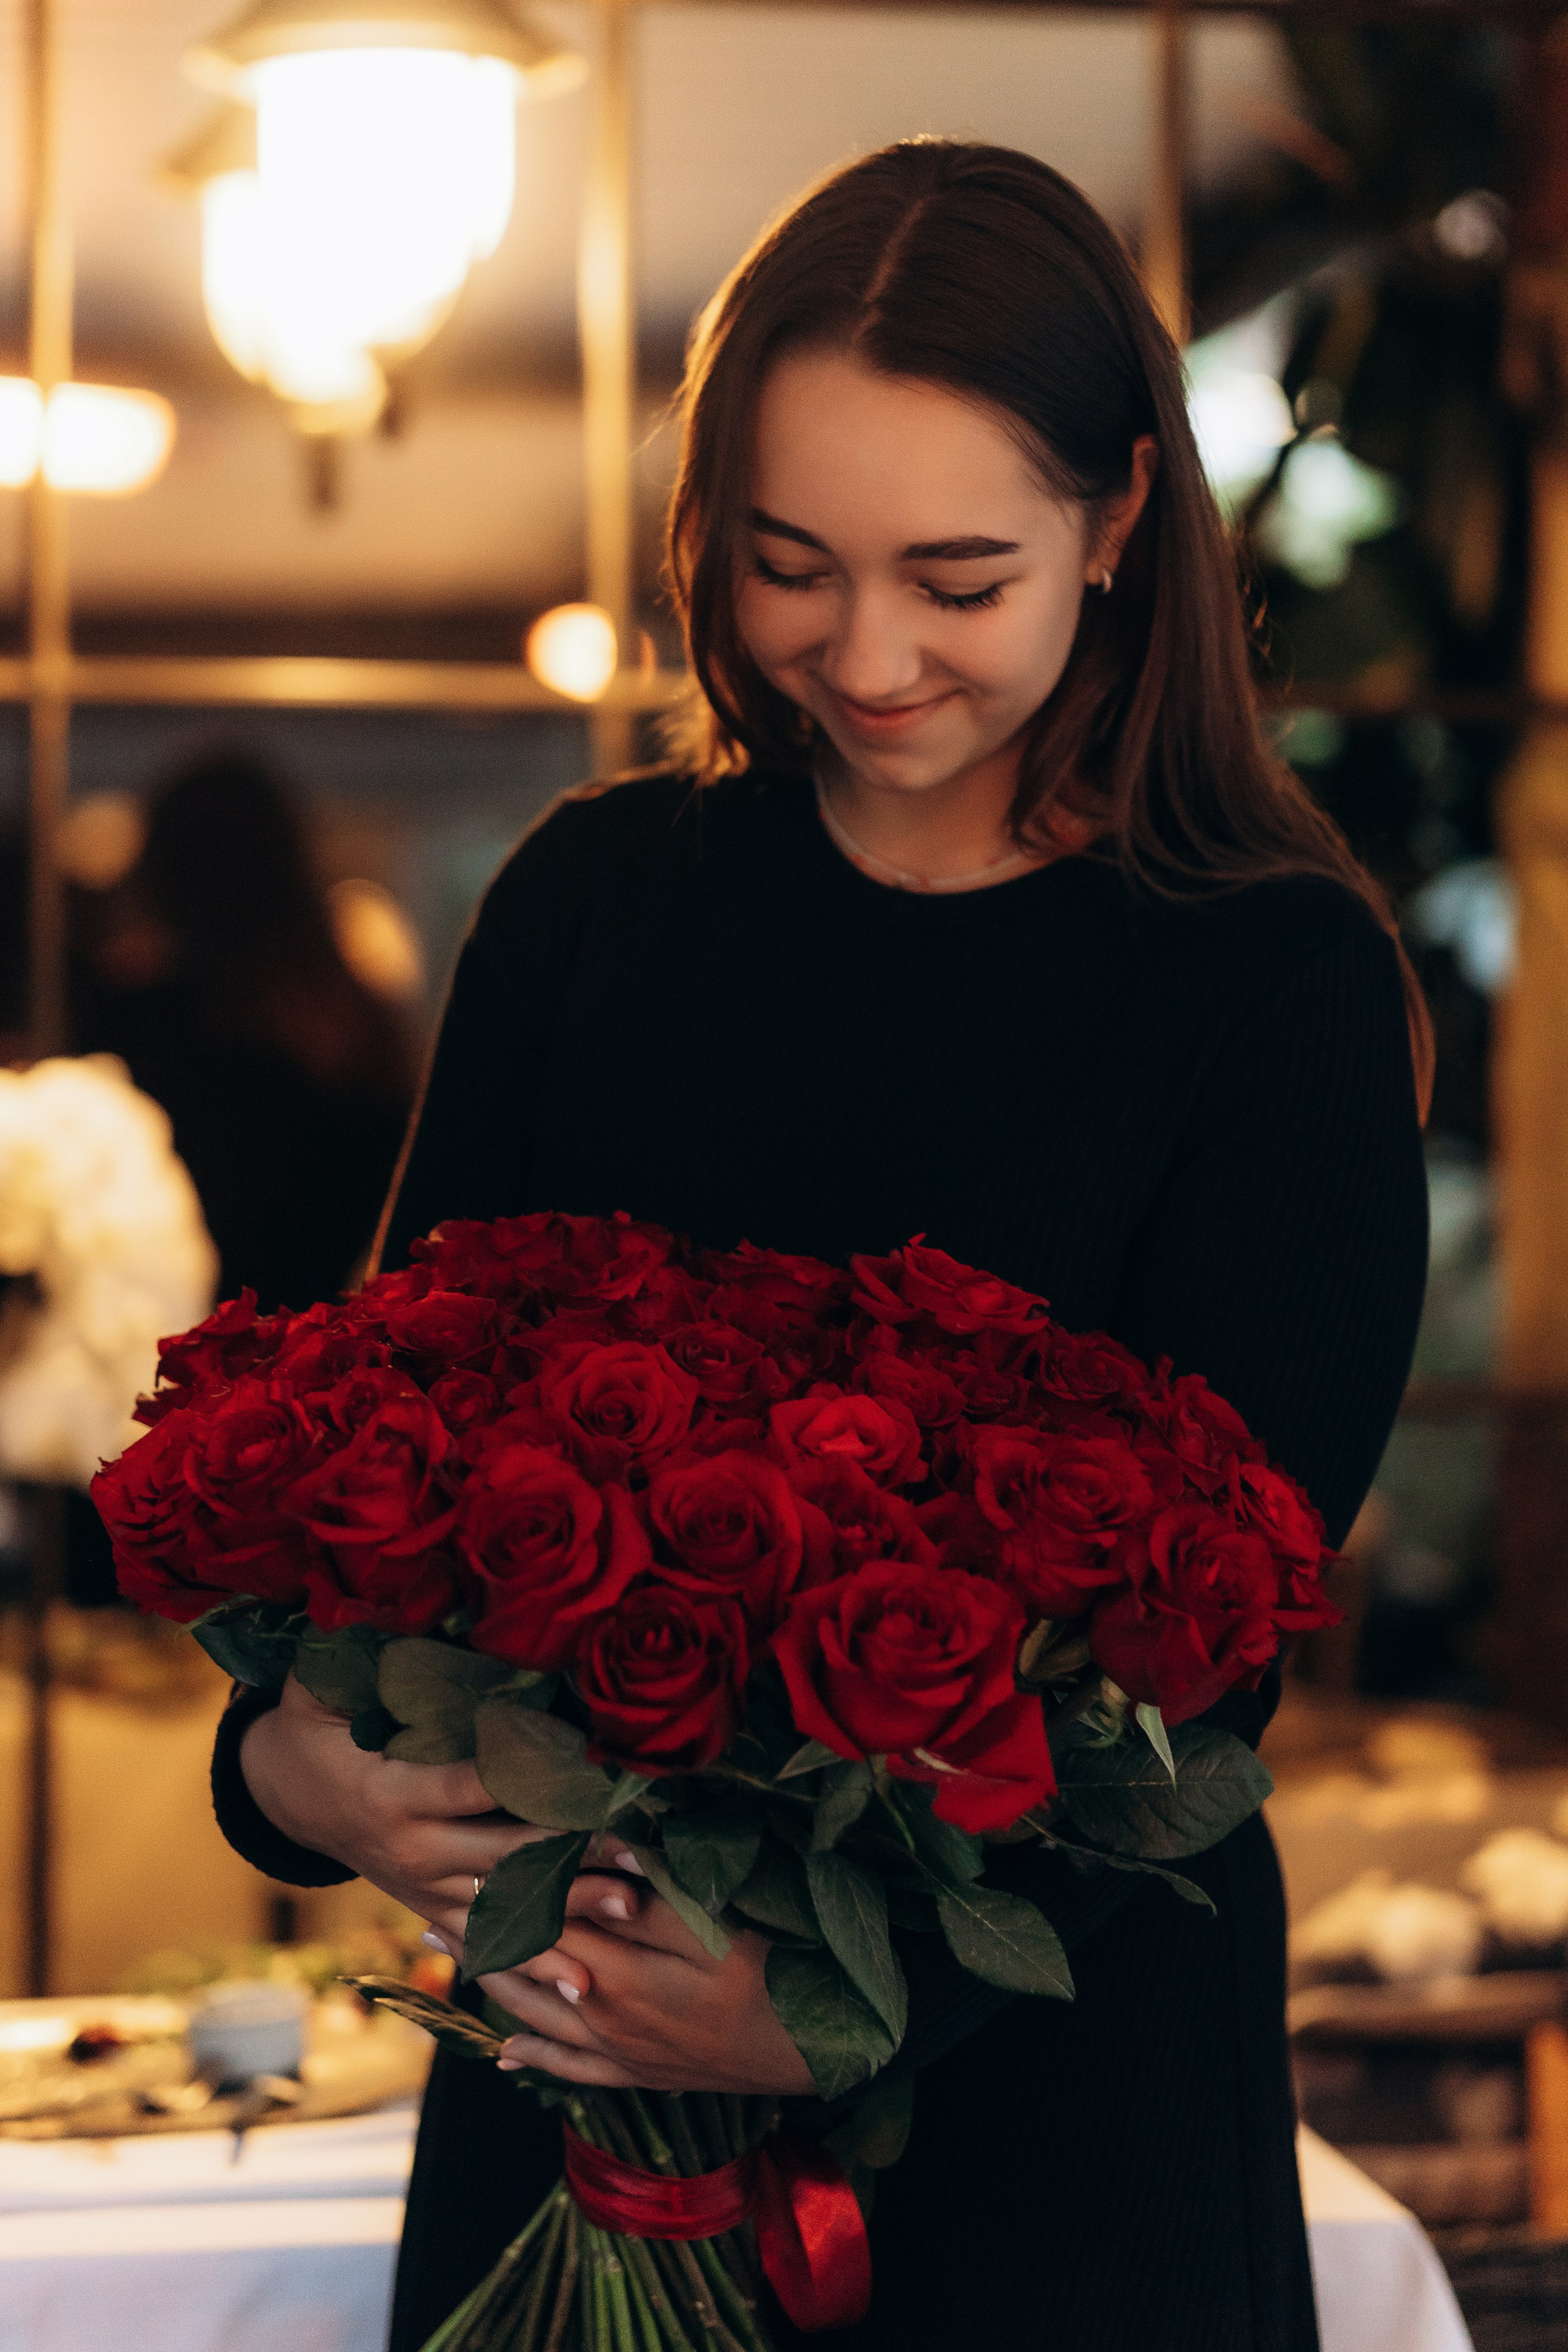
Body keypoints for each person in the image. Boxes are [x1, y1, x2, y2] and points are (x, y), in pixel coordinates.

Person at [215, 143, 1430, 2351]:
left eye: (953, 578)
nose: (862, 656)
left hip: (1051, 2139)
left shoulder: (1270, 982)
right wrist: (287, 1765)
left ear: (1116, 523)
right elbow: (368, 1476)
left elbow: (1200, 1673)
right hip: (570, 2097)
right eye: (788, 564)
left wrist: (820, 2011)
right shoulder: (596, 906)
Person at [78, 750, 415, 1314]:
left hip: (194, 1344)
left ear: (164, 874)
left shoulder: (149, 1024)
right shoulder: (351, 1023)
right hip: (332, 1353)